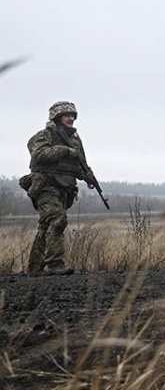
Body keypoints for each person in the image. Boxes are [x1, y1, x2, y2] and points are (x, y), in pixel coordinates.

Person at [21, 101, 95, 275]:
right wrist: (64, 150)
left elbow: (80, 164)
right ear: (57, 117)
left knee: (46, 226)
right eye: (67, 115)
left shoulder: (75, 140)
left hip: (64, 189)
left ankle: (35, 268)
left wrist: (88, 176)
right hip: (45, 186)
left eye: (73, 115)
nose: (71, 118)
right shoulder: (44, 136)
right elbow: (38, 156)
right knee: (57, 219)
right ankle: (55, 265)